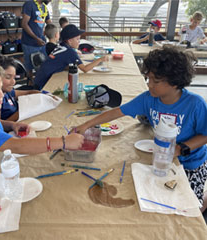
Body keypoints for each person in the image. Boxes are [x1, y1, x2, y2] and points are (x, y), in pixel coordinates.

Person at [74, 45, 207, 214]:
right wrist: (85, 125)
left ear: (175, 82)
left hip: (191, 163)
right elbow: (117, 112)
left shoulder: (195, 104)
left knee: (191, 207)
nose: (149, 84)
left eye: (155, 81)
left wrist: (180, 149)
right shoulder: (148, 99)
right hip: (161, 158)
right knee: (158, 199)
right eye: (148, 78)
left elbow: (205, 134)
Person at [0, 55, 84, 198]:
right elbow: (16, 146)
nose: (1, 95)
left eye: (0, 88)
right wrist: (64, 142)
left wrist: (11, 124)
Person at [34, 24, 108, 90]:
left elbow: (61, 63)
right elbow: (85, 69)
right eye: (77, 39)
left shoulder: (62, 46)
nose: (79, 41)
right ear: (69, 41)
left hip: (39, 77)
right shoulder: (70, 52)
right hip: (44, 82)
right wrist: (100, 59)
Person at [0, 55, 41, 121]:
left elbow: (29, 92)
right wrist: (23, 111)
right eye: (8, 77)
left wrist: (45, 95)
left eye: (14, 77)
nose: (13, 82)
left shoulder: (8, 92)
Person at [21, 0, 52, 85]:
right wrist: (36, 38)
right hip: (29, 43)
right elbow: (24, 24)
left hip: (42, 43)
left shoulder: (44, 7)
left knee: (43, 66)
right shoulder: (29, 4)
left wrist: (53, 34)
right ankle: (30, 86)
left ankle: (40, 86)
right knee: (30, 68)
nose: (51, 0)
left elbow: (49, 24)